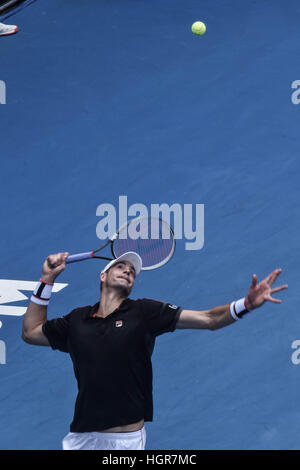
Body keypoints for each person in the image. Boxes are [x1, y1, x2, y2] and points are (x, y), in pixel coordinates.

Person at [22, 251, 288, 450]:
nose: (128, 271)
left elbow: (209, 319)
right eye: (121, 266)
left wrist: (246, 304)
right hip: (82, 438)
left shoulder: (144, 312)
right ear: (102, 276)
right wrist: (47, 279)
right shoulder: (77, 320)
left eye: (132, 272)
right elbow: (31, 332)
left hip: (125, 441)